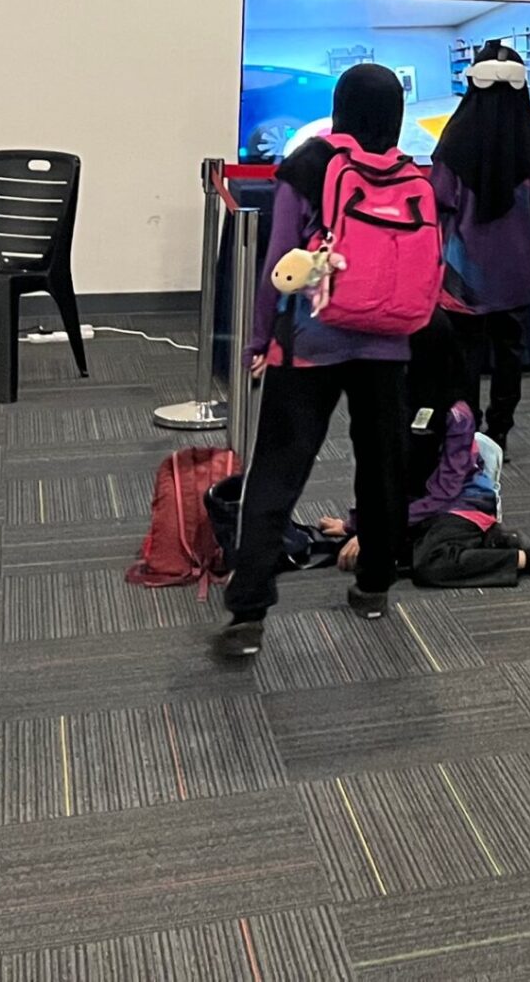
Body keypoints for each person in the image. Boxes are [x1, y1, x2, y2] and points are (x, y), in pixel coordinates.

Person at [218, 63, 414, 658]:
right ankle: (375, 584)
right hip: (387, 339)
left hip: (311, 341)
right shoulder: (410, 173)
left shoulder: (307, 165)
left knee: (279, 466)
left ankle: (249, 609)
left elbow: (278, 265)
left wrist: (258, 341)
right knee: (382, 463)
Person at [415, 41, 530, 454]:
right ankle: (501, 433)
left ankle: (465, 438)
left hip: (465, 273)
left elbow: (440, 198)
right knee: (510, 350)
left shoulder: (454, 140)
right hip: (515, 267)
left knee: (465, 355)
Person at [317, 397, 530, 588]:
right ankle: (486, 544)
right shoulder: (386, 404)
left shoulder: (456, 413)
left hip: (464, 501)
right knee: (370, 557)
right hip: (419, 508)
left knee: (429, 565)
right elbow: (377, 479)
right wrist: (355, 525)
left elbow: (443, 494)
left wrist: (374, 531)